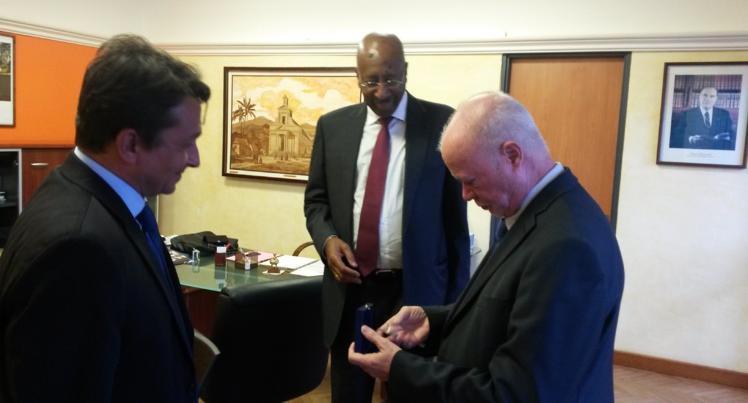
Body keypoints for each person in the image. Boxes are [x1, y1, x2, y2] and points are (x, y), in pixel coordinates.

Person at [349, 91, 625, 402]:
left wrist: (400, 369)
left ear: (512, 155)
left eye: (471, 181)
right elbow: (508, 312)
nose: (465, 195)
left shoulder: (565, 247)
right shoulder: (535, 213)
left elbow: (517, 394)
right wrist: (433, 321)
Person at [0, 34, 210, 402]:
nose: (194, 159)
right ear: (130, 144)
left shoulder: (102, 204)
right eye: (185, 143)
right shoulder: (77, 248)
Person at [304, 32, 470, 402]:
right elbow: (316, 202)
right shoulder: (332, 127)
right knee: (348, 393)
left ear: (406, 71)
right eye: (371, 81)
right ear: (357, 77)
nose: (382, 92)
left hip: (417, 293)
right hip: (351, 292)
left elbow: (456, 226)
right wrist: (328, 241)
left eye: (392, 79)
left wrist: (456, 309)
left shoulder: (443, 123)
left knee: (410, 395)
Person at [670, 86, 735, 150]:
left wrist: (726, 137)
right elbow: (676, 135)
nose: (708, 99)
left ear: (716, 99)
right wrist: (691, 139)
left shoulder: (724, 114)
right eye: (705, 95)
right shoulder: (686, 114)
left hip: (716, 151)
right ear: (699, 97)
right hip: (694, 151)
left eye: (712, 96)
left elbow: (730, 133)